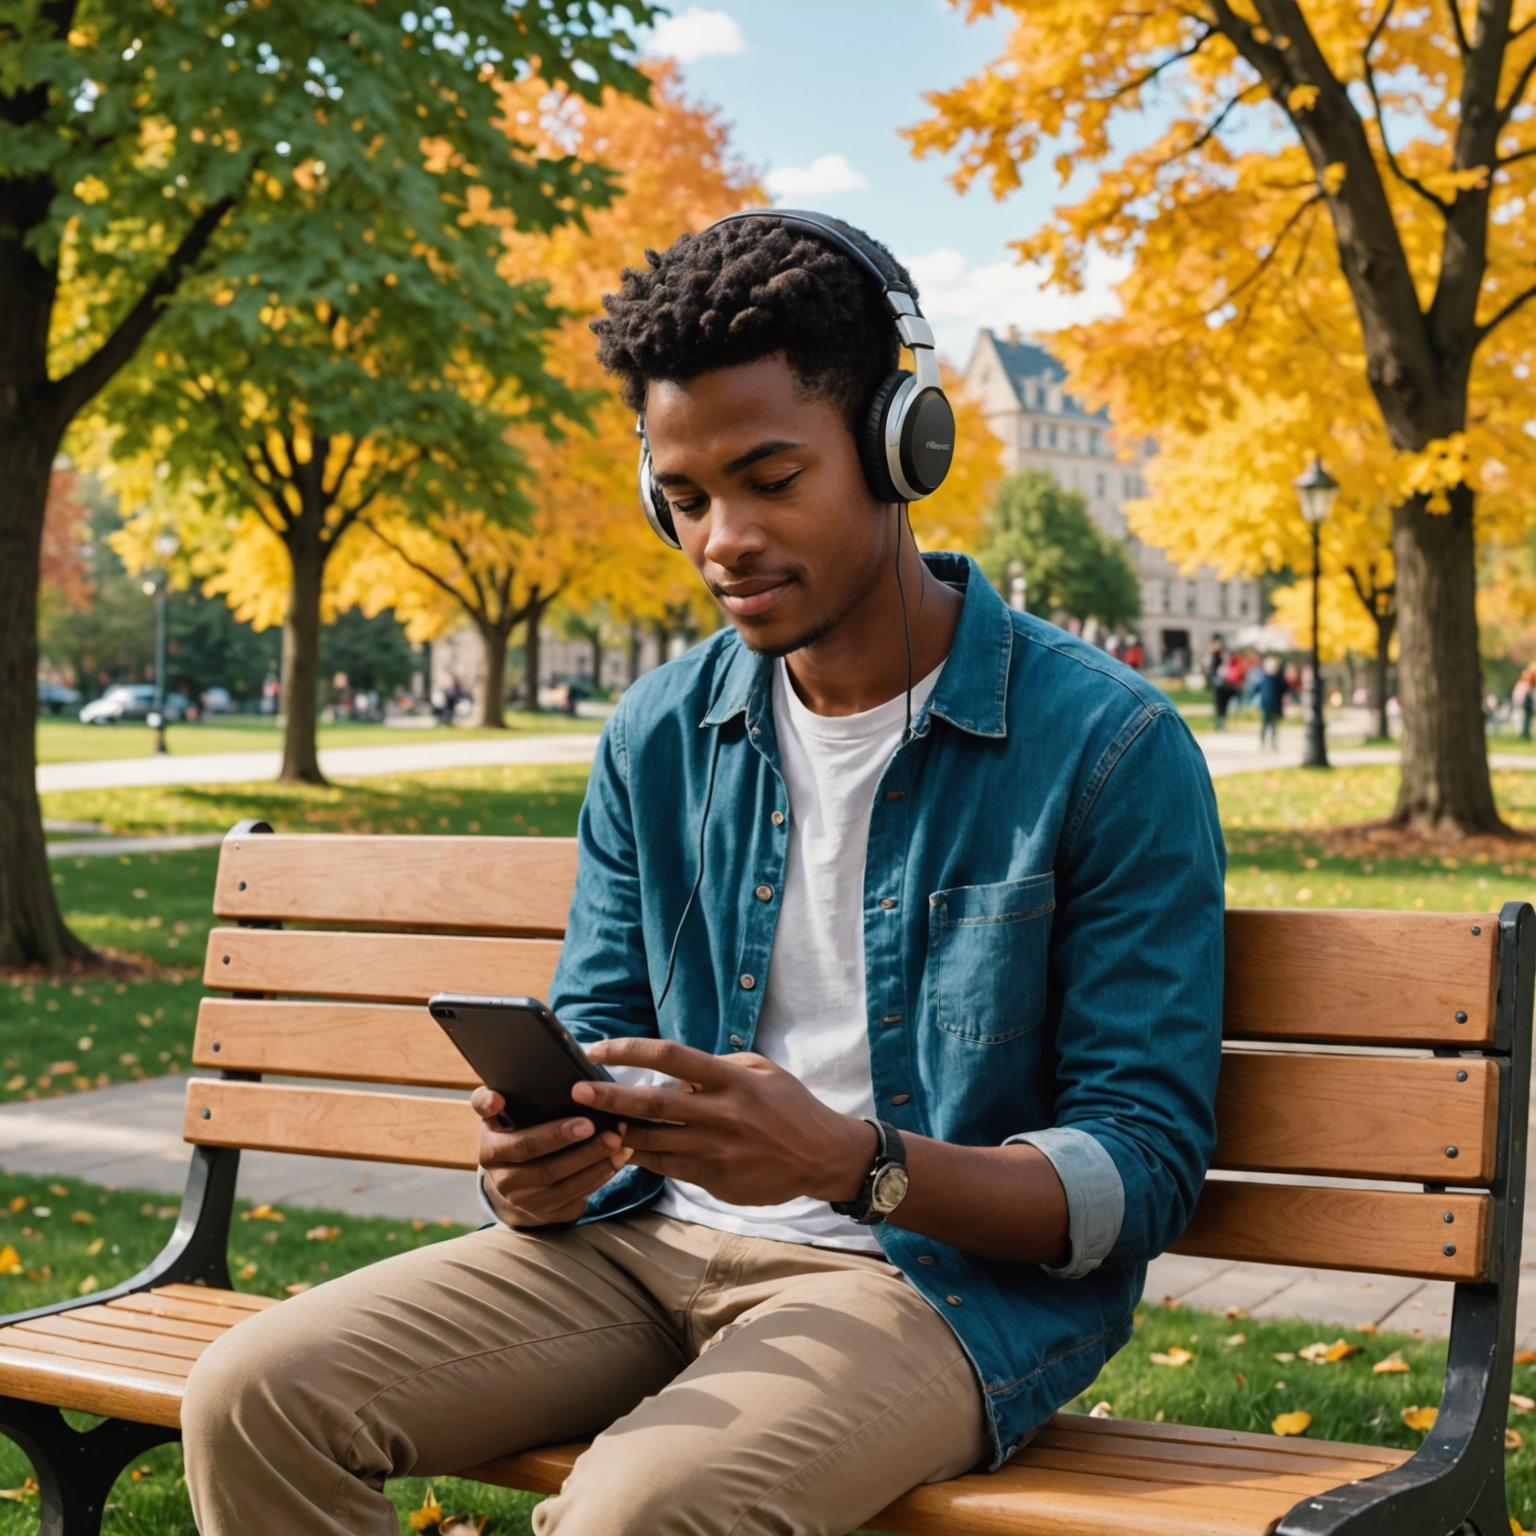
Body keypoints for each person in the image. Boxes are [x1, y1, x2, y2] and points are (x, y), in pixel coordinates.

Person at [181, 212, 1226, 1536]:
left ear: (904, 447)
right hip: (632, 1247)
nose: (721, 539)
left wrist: (858, 1163)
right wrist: (533, 1160)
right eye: (683, 498)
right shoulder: (660, 735)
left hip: (924, 1285)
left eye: (770, 478)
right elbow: (595, 1029)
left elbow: (1143, 1166)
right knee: (254, 1397)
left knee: (643, 1512)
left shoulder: (1106, 745)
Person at [1255, 655, 1289, 750]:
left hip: (1275, 704)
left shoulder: (1278, 678)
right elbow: (1257, 688)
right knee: (1265, 725)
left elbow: (1284, 688)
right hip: (1266, 704)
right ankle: (1263, 743)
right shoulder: (1264, 677)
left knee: (1274, 726)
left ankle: (1273, 744)